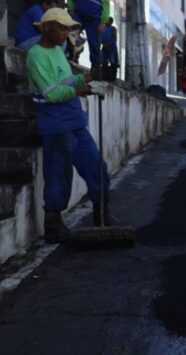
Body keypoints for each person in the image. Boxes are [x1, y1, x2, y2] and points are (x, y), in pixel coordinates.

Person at [27, 8, 118, 243]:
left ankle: (102, 215)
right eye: (61, 27)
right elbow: (51, 93)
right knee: (59, 176)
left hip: (74, 121)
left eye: (68, 28)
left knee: (97, 167)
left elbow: (66, 81)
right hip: (55, 125)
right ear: (46, 27)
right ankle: (53, 226)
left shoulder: (58, 51)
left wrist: (89, 77)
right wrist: (85, 90)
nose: (66, 32)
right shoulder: (36, 55)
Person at [66, 0, 109, 76]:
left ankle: (95, 69)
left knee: (94, 45)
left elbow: (106, 4)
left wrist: (103, 22)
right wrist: (70, 8)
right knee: (68, 36)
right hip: (78, 14)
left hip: (94, 19)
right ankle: (67, 58)